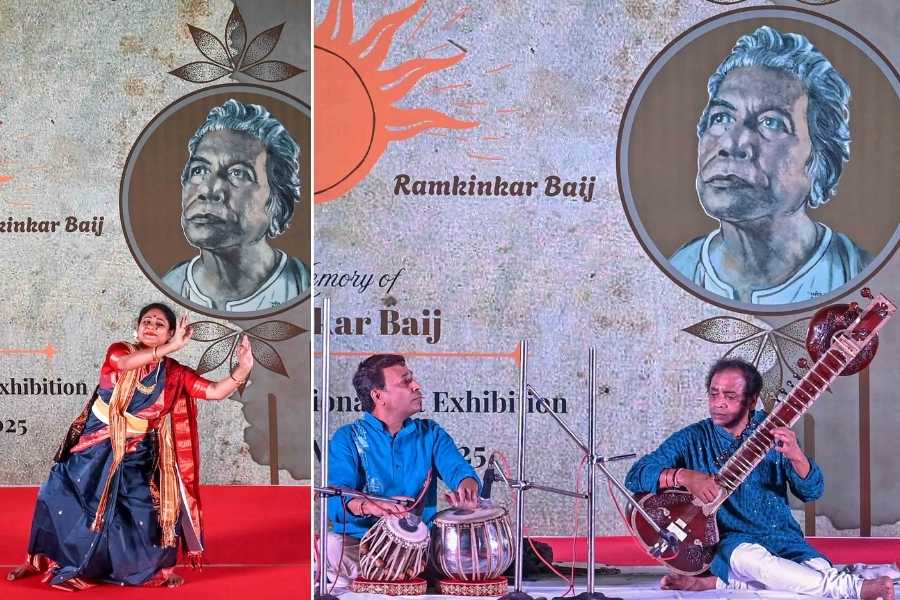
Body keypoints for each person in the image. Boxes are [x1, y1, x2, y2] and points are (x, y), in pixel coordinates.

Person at [7, 303, 253, 590]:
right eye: (146, 321)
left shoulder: (174, 374)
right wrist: (170, 347)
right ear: (137, 328)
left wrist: (243, 368)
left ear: (171, 333)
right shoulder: (119, 351)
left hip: (138, 453)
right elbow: (125, 365)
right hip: (93, 445)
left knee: (147, 512)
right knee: (60, 496)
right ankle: (46, 560)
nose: (151, 326)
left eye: (160, 324)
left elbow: (214, 391)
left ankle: (150, 570)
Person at [624, 358, 893, 599]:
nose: (718, 402)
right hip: (734, 542)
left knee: (809, 577)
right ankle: (852, 588)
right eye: (714, 394)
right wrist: (684, 476)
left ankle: (720, 584)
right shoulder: (692, 438)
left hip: (783, 537)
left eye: (730, 396)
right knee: (756, 564)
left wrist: (797, 456)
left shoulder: (773, 432)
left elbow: (812, 492)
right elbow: (636, 476)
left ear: (752, 401)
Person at [670, 26, 871, 304]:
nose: (732, 143)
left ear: (820, 159)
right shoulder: (678, 270)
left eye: (772, 123)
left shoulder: (859, 275)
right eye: (721, 118)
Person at [325, 354, 480, 586]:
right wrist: (373, 506)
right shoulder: (347, 437)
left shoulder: (430, 433)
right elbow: (336, 497)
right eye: (406, 381)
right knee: (333, 545)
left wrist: (467, 490)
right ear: (378, 396)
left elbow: (459, 470)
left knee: (466, 550)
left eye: (412, 379)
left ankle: (396, 574)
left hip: (422, 545)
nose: (416, 386)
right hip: (364, 545)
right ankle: (392, 574)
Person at [162, 98, 310, 312]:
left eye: (238, 173)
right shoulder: (170, 288)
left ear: (278, 202)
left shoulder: (305, 287)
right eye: (199, 170)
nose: (208, 189)